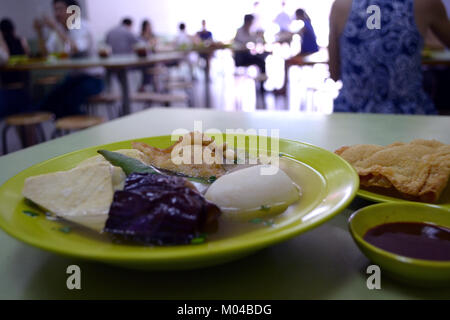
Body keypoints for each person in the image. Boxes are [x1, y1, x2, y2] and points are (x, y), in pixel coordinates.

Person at [329, 0, 450, 114]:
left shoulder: (340, 5)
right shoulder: (426, 3)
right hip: (408, 114)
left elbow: (334, 74)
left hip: (351, 113)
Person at [34, 0, 104, 118]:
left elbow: (75, 48)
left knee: (67, 104)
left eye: (60, 9)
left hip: (93, 79)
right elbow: (45, 54)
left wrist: (55, 28)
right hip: (73, 78)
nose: (56, 14)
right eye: (55, 10)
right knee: (46, 103)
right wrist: (39, 32)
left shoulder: (82, 26)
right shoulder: (60, 29)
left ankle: (91, 129)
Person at [234, 14, 267, 78]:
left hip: (247, 54)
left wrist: (260, 37)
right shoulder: (240, 31)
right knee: (259, 60)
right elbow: (239, 44)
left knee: (261, 59)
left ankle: (261, 83)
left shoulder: (251, 31)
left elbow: (256, 41)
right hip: (240, 57)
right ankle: (261, 81)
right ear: (247, 22)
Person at [0, 18, 30, 86]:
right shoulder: (21, 40)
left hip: (7, 80)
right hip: (23, 78)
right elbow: (28, 55)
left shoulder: (2, 44)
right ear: (13, 29)